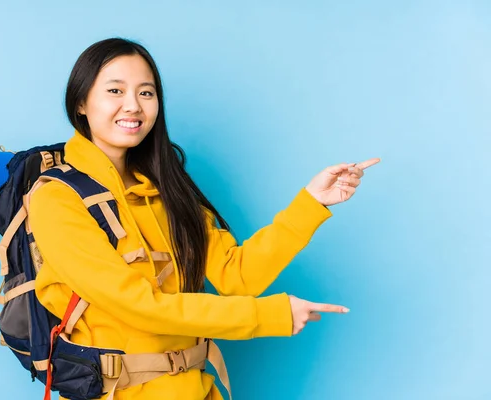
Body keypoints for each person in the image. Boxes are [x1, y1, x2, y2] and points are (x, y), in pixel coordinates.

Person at [28, 37, 379, 400]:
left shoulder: (167, 188)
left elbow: (236, 275)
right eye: (115, 90)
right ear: (81, 102)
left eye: (146, 93)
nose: (132, 106)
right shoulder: (57, 198)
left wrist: (311, 203)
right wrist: (268, 315)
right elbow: (138, 306)